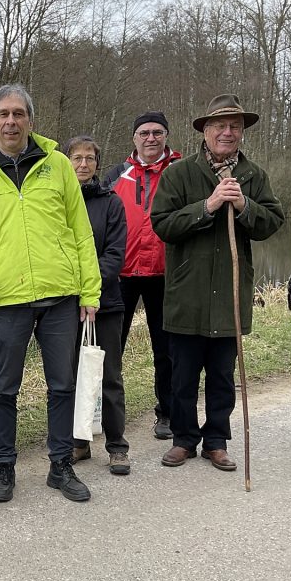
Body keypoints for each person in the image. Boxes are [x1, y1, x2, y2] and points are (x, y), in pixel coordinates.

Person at [0, 84, 102, 504]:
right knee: (4, 388)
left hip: (61, 296)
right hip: (8, 300)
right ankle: (3, 468)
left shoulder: (58, 165)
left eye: (18, 114)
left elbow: (81, 232)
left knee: (62, 385)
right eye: (3, 115)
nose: (11, 121)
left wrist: (90, 292)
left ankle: (60, 466)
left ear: (30, 120)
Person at [151, 94, 285, 471]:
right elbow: (162, 225)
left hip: (229, 294)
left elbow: (272, 223)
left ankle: (216, 440)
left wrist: (244, 207)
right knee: (183, 375)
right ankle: (183, 439)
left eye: (235, 127)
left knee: (223, 376)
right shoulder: (178, 173)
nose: (227, 132)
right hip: (187, 294)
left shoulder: (254, 176)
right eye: (220, 126)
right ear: (205, 131)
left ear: (242, 133)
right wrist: (208, 206)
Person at [101, 111, 182, 440]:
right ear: (134, 138)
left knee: (166, 349)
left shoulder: (180, 172)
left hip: (166, 273)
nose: (151, 138)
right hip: (121, 273)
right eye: (144, 133)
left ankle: (166, 413)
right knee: (110, 348)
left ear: (166, 136)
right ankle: (106, 417)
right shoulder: (116, 174)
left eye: (157, 132)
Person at [63, 135, 131, 475]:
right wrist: (72, 290)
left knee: (109, 376)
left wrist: (90, 288)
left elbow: (115, 255)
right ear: (67, 162)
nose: (83, 164)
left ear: (97, 164)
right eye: (77, 158)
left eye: (89, 158)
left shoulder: (111, 203)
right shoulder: (57, 201)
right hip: (65, 304)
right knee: (72, 375)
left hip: (106, 302)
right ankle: (79, 442)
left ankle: (117, 446)